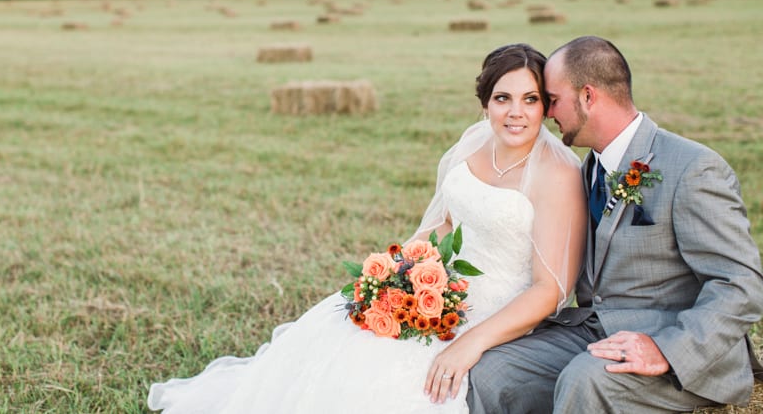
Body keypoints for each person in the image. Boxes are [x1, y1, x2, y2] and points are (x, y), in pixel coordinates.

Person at [146, 43, 587, 413]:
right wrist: (395, 276)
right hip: (430, 292)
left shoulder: (558, 173)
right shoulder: (474, 143)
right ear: (484, 103)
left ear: (546, 106)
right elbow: (443, 224)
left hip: (489, 316)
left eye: (530, 99)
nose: (516, 113)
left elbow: (550, 290)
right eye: (502, 98)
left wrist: (469, 343)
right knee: (339, 339)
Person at [467, 36, 763, 413]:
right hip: (595, 331)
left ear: (588, 97)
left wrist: (666, 350)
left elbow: (740, 284)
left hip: (680, 351)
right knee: (493, 371)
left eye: (552, 99)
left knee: (586, 379)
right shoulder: (588, 167)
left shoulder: (692, 168)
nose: (548, 113)